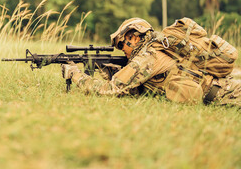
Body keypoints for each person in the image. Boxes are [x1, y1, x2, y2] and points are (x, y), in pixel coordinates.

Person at [62, 18, 241, 107]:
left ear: (133, 36)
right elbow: (137, 88)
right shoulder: (154, 48)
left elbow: (110, 90)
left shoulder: (148, 56)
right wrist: (108, 70)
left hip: (225, 93)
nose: (121, 49)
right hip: (218, 90)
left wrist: (75, 74)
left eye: (121, 44)